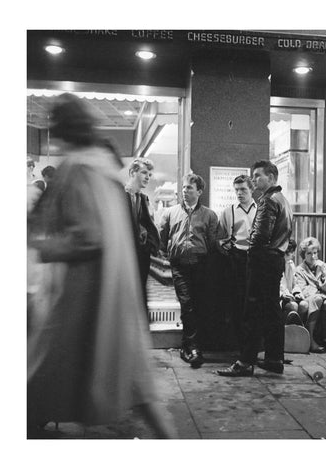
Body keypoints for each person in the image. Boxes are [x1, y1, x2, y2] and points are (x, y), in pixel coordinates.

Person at [27, 92, 175, 438]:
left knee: (47, 372)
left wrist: (41, 245)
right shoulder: (103, 168)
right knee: (137, 383)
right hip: (112, 292)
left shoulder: (78, 168)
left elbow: (89, 236)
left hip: (83, 295)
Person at [218, 159, 292, 377]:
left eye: (258, 175)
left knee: (252, 312)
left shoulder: (268, 200)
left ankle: (245, 362)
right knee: (272, 311)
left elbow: (260, 235)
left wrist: (252, 256)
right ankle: (274, 359)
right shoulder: (284, 200)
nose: (255, 179)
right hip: (276, 260)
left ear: (271, 177)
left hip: (262, 262)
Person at [158, 173, 219, 368]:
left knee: (199, 304)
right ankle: (192, 347)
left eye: (189, 188)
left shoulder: (209, 215)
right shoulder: (170, 212)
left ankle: (191, 345)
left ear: (199, 192)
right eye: (183, 188)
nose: (185, 191)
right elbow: (163, 236)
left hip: (201, 265)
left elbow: (212, 241)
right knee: (186, 303)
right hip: (179, 265)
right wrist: (167, 254)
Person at [218, 174, 257, 350]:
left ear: (252, 190)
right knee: (236, 301)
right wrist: (225, 246)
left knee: (253, 302)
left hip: (255, 259)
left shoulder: (260, 209)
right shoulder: (228, 211)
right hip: (235, 259)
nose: (240, 193)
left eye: (243, 190)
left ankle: (253, 344)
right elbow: (220, 237)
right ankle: (238, 343)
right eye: (237, 190)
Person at [294, 237, 326, 353]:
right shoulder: (299, 270)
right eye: (309, 253)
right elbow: (303, 289)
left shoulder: (324, 267)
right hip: (310, 298)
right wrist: (320, 290)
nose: (313, 256)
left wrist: (324, 275)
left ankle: (324, 337)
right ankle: (311, 339)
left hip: (324, 297)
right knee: (318, 299)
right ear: (303, 255)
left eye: (315, 253)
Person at [125, 158, 160, 300]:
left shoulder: (144, 199)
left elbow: (149, 225)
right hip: (124, 256)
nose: (147, 177)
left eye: (149, 175)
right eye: (144, 172)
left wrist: (149, 245)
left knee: (139, 297)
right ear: (132, 172)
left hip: (141, 256)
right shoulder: (120, 196)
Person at [279, 239, 309, 325]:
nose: (293, 255)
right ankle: (285, 332)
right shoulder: (274, 264)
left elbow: (295, 283)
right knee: (293, 306)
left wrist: (297, 293)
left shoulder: (290, 264)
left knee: (304, 305)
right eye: (292, 252)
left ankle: (298, 330)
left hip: (291, 297)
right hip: (280, 298)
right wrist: (283, 295)